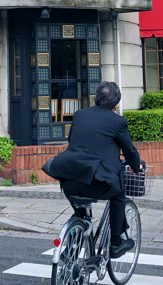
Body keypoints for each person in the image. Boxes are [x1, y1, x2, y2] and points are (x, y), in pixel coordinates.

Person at [42, 81, 143, 259]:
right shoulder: (118, 121)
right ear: (116, 104)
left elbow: (73, 140)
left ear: (96, 99)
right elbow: (129, 150)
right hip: (98, 183)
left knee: (81, 212)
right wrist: (137, 166)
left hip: (69, 179)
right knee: (118, 194)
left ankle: (74, 244)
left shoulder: (80, 115)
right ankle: (115, 243)